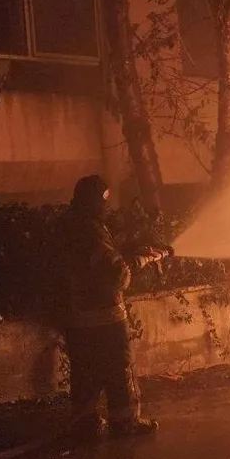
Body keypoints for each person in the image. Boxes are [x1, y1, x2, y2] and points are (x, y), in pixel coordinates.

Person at [60, 175, 167, 440]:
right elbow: (116, 274)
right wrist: (136, 262)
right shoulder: (90, 230)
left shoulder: (67, 224)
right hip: (105, 316)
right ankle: (126, 422)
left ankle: (85, 421)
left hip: (76, 317)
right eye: (103, 202)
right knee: (120, 367)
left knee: (85, 370)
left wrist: (127, 252)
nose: (106, 208)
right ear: (94, 201)